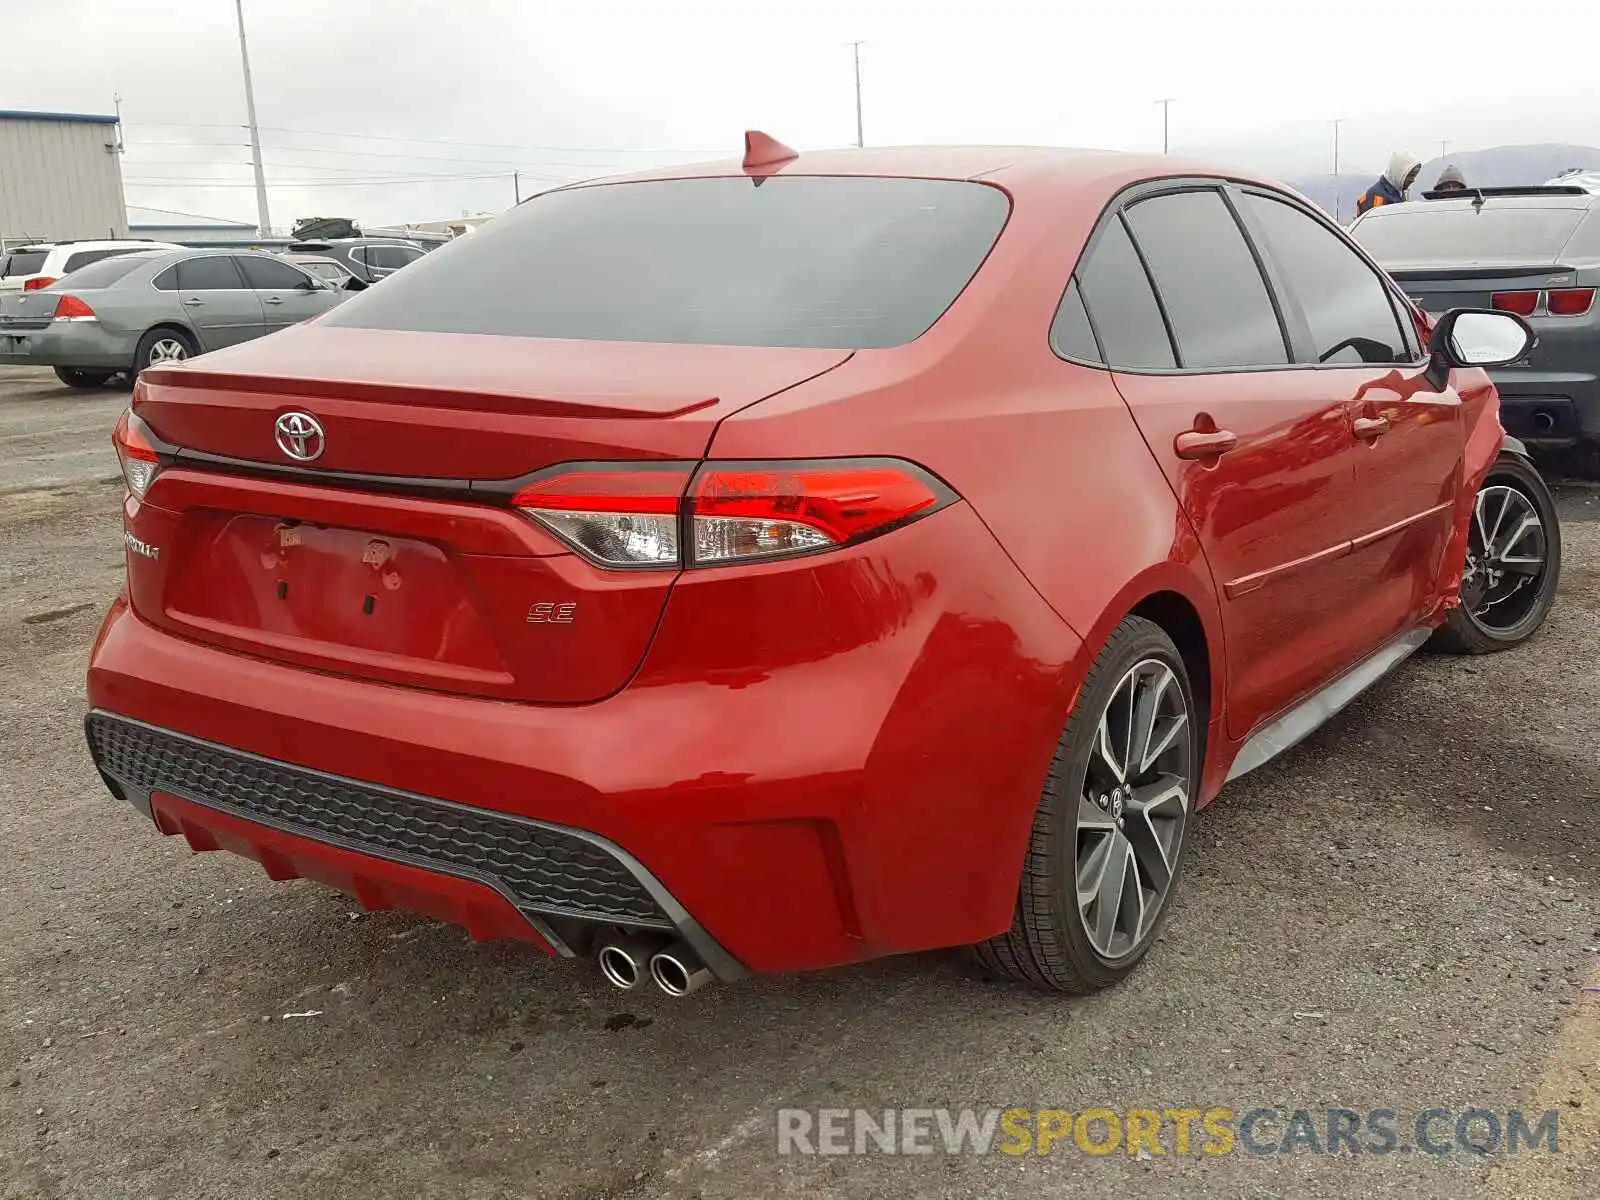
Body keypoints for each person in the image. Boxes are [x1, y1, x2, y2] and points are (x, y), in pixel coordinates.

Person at [1355, 152, 1422, 215]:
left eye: (1414, 176)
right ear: (1399, 173)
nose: (1413, 180)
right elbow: (1378, 226)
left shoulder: (1395, 194)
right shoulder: (1378, 198)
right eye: (1410, 175)